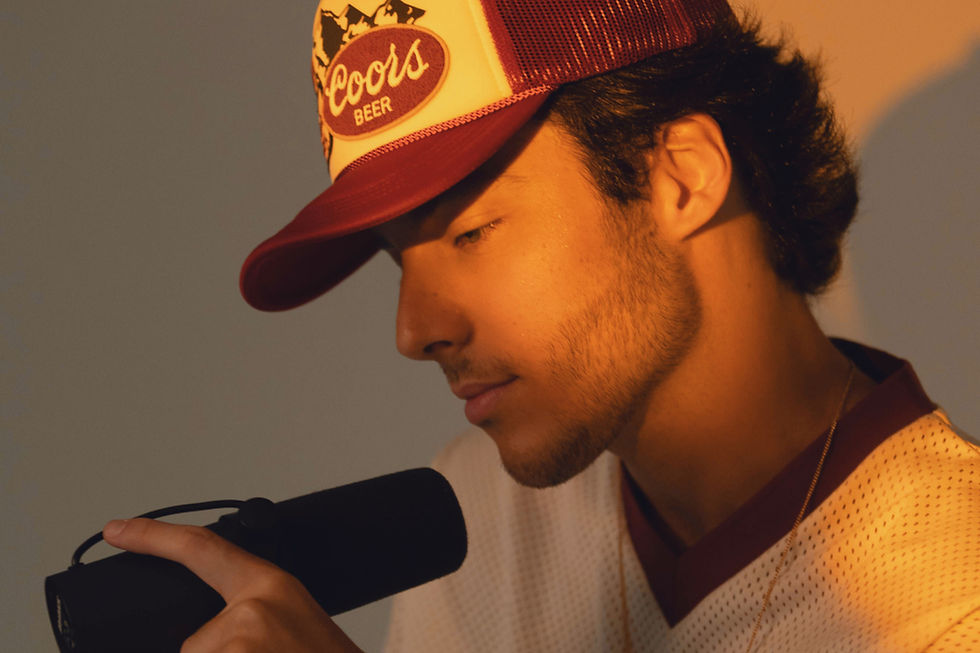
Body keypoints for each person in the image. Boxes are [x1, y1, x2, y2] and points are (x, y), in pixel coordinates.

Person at [101, 0, 980, 650]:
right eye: (395, 256)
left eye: (470, 232)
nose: (414, 329)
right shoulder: (478, 514)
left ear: (682, 176)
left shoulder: (951, 591)